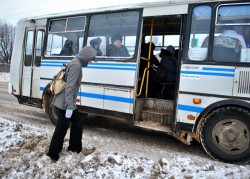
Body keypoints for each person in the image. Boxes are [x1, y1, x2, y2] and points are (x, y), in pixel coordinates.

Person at [47, 46, 97, 161]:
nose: (90, 62)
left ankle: (67, 150)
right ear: (86, 56)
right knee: (68, 126)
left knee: (69, 125)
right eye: (90, 59)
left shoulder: (75, 62)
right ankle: (59, 152)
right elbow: (69, 88)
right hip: (66, 103)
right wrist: (70, 106)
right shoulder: (76, 66)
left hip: (66, 102)